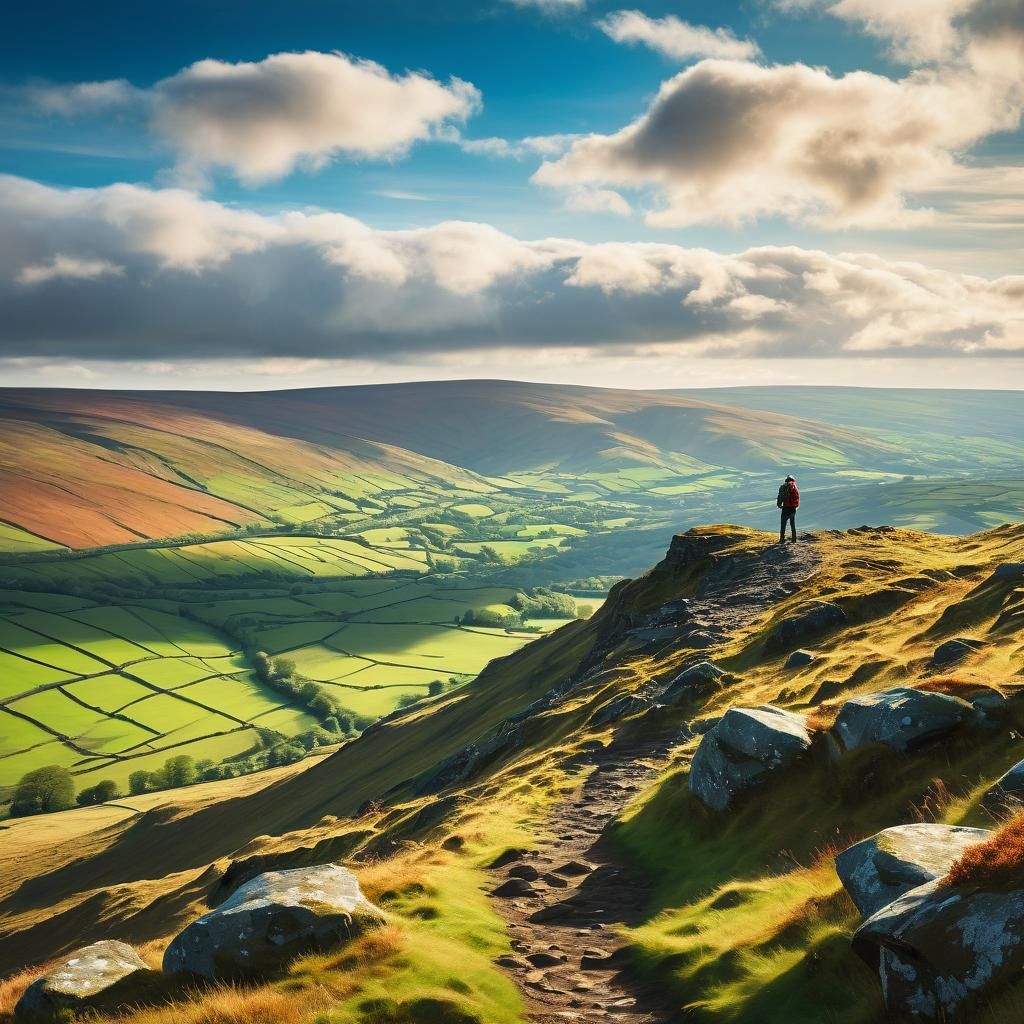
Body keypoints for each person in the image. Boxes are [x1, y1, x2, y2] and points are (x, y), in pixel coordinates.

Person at [777, 475, 800, 543]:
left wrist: (779, 504)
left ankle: (782, 539)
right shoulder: (795, 487)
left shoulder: (783, 487)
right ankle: (794, 539)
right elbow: (797, 498)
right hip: (793, 508)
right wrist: (796, 507)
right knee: (792, 523)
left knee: (783, 523)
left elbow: (780, 496)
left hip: (786, 507)